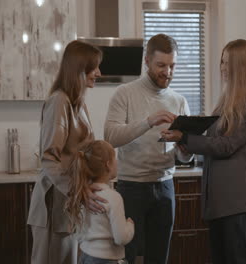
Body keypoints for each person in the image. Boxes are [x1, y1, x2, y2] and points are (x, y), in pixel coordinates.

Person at [160, 39, 246, 264]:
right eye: (221, 62)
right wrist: (184, 133)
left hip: (236, 199)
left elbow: (226, 145)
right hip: (218, 201)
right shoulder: (226, 104)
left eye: (227, 63)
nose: (222, 68)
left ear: (241, 66)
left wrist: (186, 138)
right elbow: (213, 141)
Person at [103, 33, 193, 264]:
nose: (168, 72)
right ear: (146, 61)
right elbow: (110, 137)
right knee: (127, 257)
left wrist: (185, 146)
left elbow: (184, 156)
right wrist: (148, 122)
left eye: (172, 65)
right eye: (161, 65)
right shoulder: (125, 93)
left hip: (165, 187)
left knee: (159, 258)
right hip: (131, 187)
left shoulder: (180, 100)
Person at [27, 40, 108, 264]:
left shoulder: (78, 103)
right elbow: (49, 159)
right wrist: (79, 193)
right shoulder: (59, 101)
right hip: (53, 205)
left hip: (68, 205)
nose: (99, 73)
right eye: (94, 68)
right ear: (79, 69)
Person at [64, 140, 135, 264]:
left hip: (85, 256)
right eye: (115, 158)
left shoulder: (82, 195)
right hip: (107, 260)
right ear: (108, 164)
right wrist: (130, 225)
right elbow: (121, 238)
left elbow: (78, 233)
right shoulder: (113, 197)